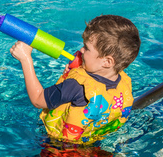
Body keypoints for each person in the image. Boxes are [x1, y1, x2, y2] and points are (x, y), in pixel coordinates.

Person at [10, 15, 141, 144]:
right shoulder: (123, 80)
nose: (81, 50)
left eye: (87, 48)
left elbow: (38, 100)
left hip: (60, 150)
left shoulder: (76, 86)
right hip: (95, 143)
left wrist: (25, 59)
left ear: (107, 61)